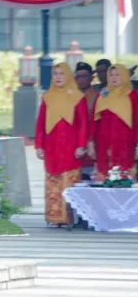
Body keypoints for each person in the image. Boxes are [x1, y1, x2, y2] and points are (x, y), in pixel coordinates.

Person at [34, 63, 87, 227]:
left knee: (69, 182)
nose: (58, 77)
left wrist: (81, 145)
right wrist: (38, 146)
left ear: (69, 77)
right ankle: (54, 218)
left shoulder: (77, 97)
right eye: (55, 74)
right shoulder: (47, 97)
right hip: (51, 147)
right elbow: (41, 124)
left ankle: (69, 218)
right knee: (53, 181)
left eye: (61, 74)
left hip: (71, 148)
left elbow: (83, 124)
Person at [90, 64, 138, 178]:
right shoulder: (102, 95)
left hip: (126, 144)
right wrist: (91, 143)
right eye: (111, 75)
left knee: (124, 180)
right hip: (103, 145)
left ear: (125, 76)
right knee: (104, 180)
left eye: (117, 75)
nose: (113, 78)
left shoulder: (132, 95)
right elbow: (94, 121)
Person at [74, 62, 97, 180]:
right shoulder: (71, 97)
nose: (81, 79)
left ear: (91, 78)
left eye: (84, 76)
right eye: (78, 76)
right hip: (76, 142)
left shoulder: (99, 96)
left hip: (94, 140)